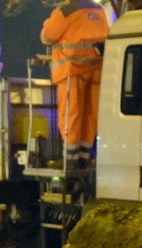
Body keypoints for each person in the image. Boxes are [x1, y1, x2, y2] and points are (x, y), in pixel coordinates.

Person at [41, 0, 110, 166]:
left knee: (71, 114)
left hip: (71, 69)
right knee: (90, 115)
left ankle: (69, 160)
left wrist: (46, 24)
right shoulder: (99, 9)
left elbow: (47, 36)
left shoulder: (65, 10)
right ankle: (84, 157)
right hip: (96, 69)